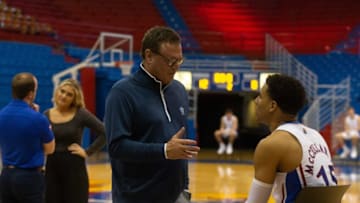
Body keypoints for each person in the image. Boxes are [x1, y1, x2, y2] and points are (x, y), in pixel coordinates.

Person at [104, 26, 200, 203]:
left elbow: (180, 148)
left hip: (176, 196)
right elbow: (116, 147)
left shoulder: (178, 90)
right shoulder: (122, 93)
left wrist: (184, 188)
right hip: (136, 198)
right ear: (149, 56)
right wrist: (163, 150)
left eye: (179, 61)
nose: (175, 68)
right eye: (171, 61)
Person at [246, 74, 337, 203]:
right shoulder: (316, 136)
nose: (256, 101)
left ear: (272, 106)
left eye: (260, 96)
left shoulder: (271, 144)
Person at [43, 78, 106, 203]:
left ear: (74, 99)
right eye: (62, 91)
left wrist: (88, 152)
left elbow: (105, 133)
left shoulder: (80, 114)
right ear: (57, 92)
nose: (64, 96)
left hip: (74, 170)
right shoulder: (46, 115)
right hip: (51, 168)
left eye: (69, 94)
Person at [0, 72, 55, 202]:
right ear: (31, 94)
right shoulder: (39, 119)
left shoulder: (1, 115)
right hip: (29, 178)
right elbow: (50, 149)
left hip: (6, 176)